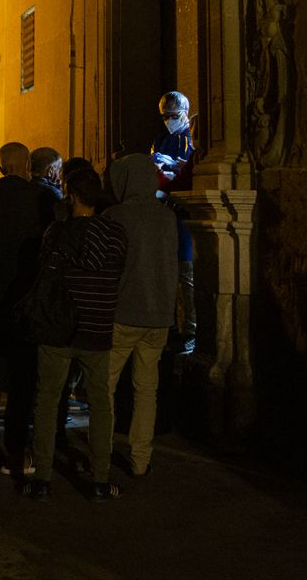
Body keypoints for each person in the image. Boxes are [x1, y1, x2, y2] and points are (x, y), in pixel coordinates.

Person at [25, 166, 127, 502]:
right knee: (100, 405)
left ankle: (41, 479)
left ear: (71, 196)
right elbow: (118, 275)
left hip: (58, 328)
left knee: (47, 402)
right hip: (97, 327)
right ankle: (100, 480)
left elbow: (44, 272)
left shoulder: (58, 232)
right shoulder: (115, 234)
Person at [0, 142, 58, 472]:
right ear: (28, 164)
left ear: (1, 168)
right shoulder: (44, 200)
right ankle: (16, 451)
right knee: (23, 379)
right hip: (27, 301)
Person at [105, 152, 181, 479]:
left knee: (104, 386)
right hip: (158, 315)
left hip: (122, 313)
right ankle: (140, 458)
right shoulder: (166, 218)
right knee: (146, 389)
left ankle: (101, 450)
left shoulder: (114, 216)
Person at [150, 92, 198, 353]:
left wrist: (172, 169)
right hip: (163, 213)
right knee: (166, 275)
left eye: (173, 115)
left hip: (182, 215)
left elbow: (185, 176)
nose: (169, 120)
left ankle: (190, 330)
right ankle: (168, 326)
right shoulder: (162, 139)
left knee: (187, 277)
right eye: (165, 116)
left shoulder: (187, 138)